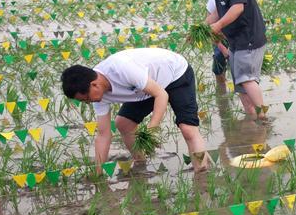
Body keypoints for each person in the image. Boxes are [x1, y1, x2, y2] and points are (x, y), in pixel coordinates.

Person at [61, 48, 209, 172]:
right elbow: (103, 134)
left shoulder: (122, 69)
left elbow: (161, 95)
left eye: (86, 98)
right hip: (146, 86)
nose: (87, 102)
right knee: (123, 124)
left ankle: (202, 175)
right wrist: (97, 172)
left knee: (188, 129)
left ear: (94, 85)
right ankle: (140, 163)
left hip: (176, 74)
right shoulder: (97, 95)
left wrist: (152, 131)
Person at [188, 0, 269, 121]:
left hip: (249, 39)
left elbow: (237, 7)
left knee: (247, 79)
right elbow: (219, 11)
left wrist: (218, 26)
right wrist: (201, 28)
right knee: (240, 84)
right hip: (235, 42)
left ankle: (263, 118)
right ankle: (251, 119)